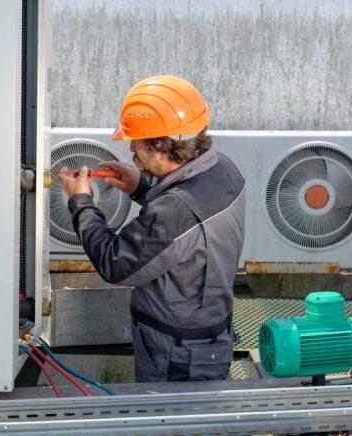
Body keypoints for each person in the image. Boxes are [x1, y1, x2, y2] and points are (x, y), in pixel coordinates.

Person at [58, 75, 245, 382]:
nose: (131, 147)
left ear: (161, 147)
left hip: (176, 355)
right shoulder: (222, 169)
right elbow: (189, 232)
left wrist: (81, 201)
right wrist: (141, 186)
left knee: (170, 426)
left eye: (137, 140)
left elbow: (115, 263)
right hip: (206, 340)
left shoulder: (173, 213)